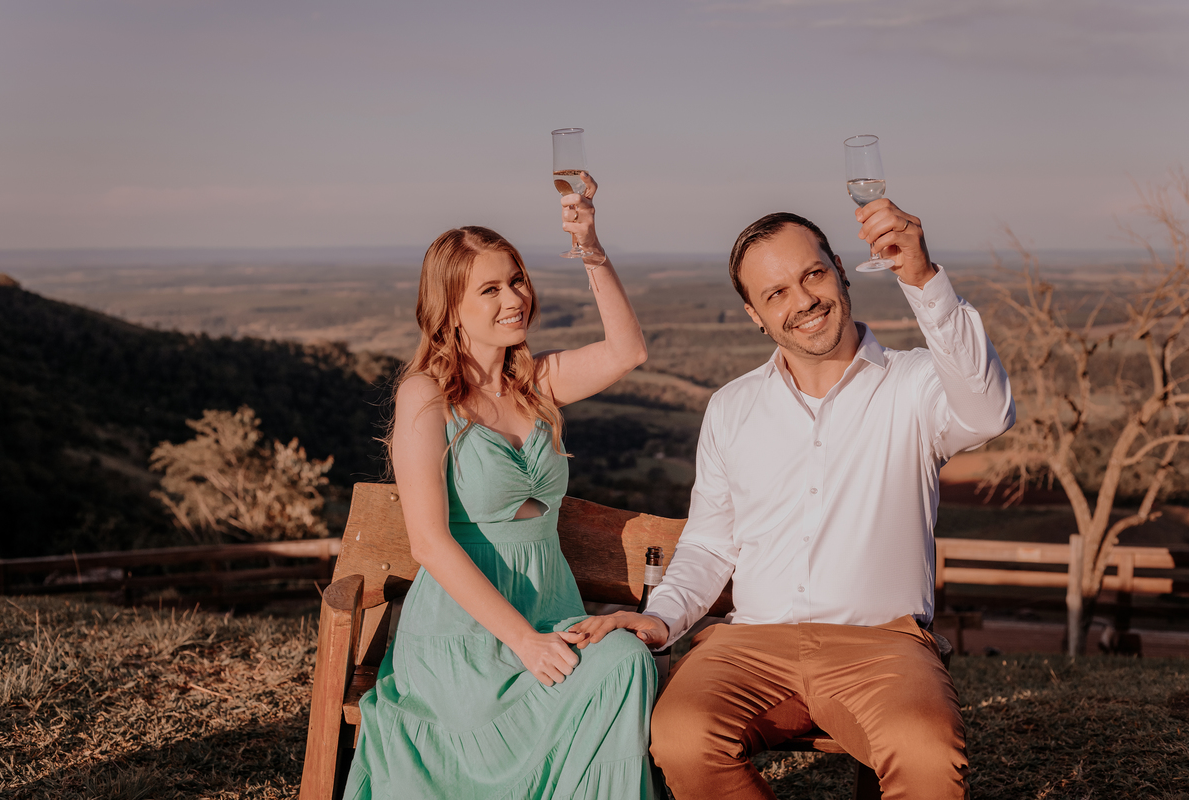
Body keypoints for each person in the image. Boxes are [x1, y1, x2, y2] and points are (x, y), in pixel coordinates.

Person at [569, 199, 1015, 799]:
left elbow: (988, 410)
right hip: (751, 644)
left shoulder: (916, 384)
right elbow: (708, 543)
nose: (802, 301)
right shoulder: (731, 407)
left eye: (812, 275)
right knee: (680, 734)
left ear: (840, 268)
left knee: (927, 754)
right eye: (775, 292)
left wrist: (922, 278)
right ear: (755, 314)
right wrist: (661, 618)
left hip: (882, 644)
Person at [343, 174, 658, 800]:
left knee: (626, 661)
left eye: (516, 279)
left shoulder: (537, 386)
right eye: (490, 288)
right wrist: (522, 642)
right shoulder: (425, 396)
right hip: (465, 638)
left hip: (552, 612)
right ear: (450, 308)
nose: (514, 297)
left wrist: (590, 247)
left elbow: (628, 350)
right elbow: (430, 544)